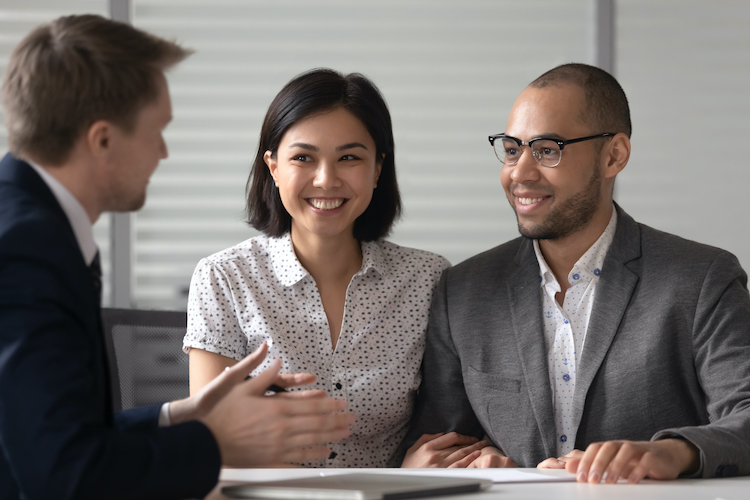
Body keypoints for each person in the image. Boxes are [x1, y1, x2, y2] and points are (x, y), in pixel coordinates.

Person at [0, 15, 354, 500]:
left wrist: (184, 414)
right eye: (157, 131)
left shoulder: (33, 228)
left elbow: (49, 437)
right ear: (103, 139)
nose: (164, 152)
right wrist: (216, 441)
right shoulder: (25, 250)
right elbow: (65, 476)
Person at [402, 63, 750, 481]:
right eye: (512, 150)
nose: (520, 173)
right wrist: (475, 463)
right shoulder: (464, 291)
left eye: (548, 150)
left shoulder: (702, 278)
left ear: (613, 155)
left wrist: (674, 453)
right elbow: (440, 441)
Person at [183, 68, 454, 468]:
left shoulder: (427, 280)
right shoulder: (223, 277)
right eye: (303, 158)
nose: (326, 179)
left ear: (378, 168)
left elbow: (445, 429)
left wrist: (408, 480)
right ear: (273, 167)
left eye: (349, 158)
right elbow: (210, 444)